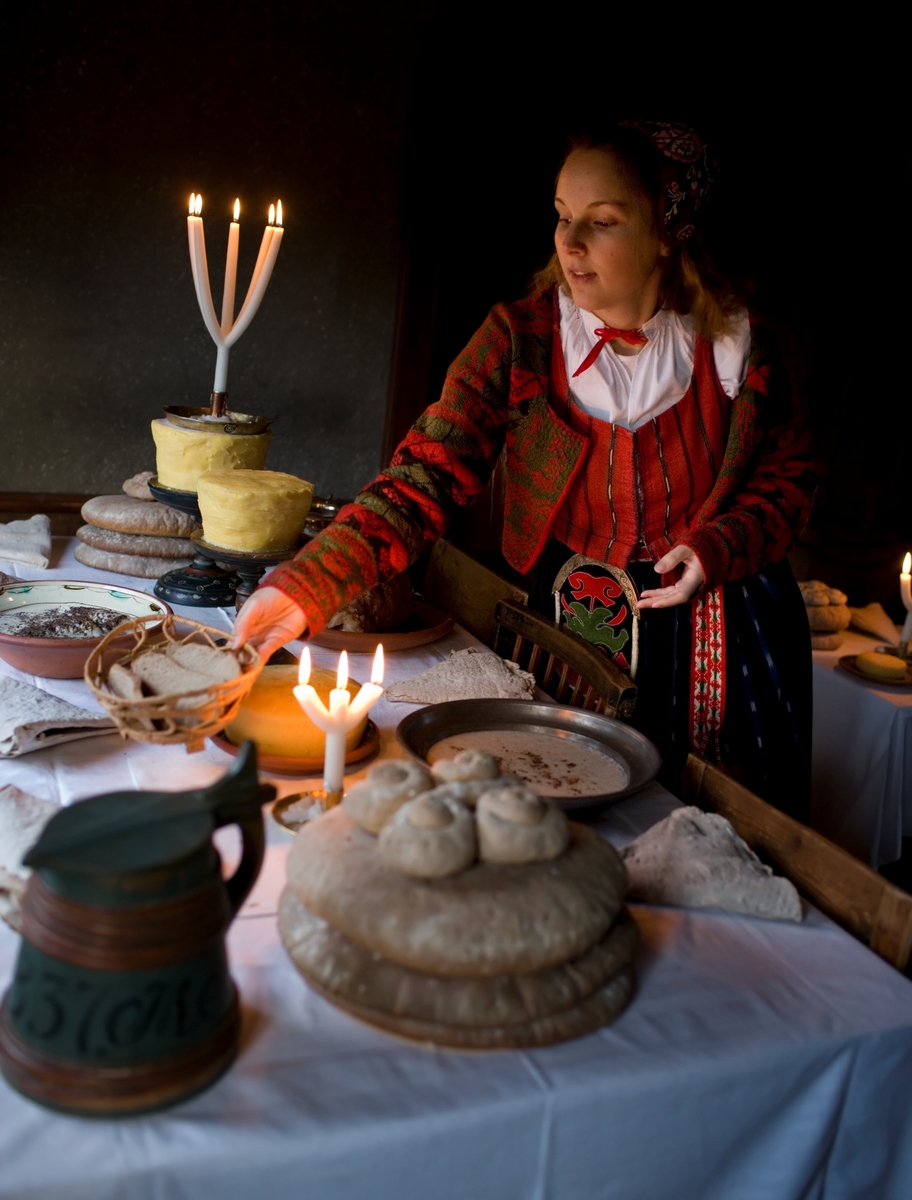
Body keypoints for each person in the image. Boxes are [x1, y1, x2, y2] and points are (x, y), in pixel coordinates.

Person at [234, 121, 817, 819]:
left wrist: (719, 546)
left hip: (719, 634)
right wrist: (305, 588)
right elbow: (422, 478)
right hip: (575, 618)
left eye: (602, 222)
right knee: (565, 805)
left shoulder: (737, 344)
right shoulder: (521, 338)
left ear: (667, 231)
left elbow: (790, 482)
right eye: (562, 217)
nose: (569, 244)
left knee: (704, 831)